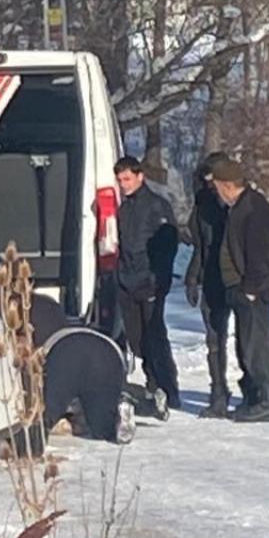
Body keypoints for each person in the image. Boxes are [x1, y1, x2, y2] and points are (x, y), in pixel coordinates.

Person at [0, 258, 138, 443]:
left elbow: (25, 358)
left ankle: (38, 440)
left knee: (39, 421)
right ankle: (121, 408)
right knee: (100, 427)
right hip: (104, 349)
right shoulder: (45, 302)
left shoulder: (8, 313)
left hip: (63, 356)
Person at [209, 159, 269, 423]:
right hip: (240, 286)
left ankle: (267, 401)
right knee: (246, 343)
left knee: (257, 344)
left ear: (227, 185)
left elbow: (260, 252)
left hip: (254, 286)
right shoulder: (238, 207)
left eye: (218, 186)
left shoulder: (253, 208)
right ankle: (253, 395)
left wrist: (253, 287)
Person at [113, 156, 180, 410]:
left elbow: (167, 246)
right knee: (137, 338)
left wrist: (157, 278)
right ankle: (151, 382)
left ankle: (166, 387)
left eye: (127, 179)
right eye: (120, 180)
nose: (123, 184)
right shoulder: (125, 207)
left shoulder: (156, 206)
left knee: (155, 336)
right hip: (128, 280)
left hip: (149, 281)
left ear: (140, 177)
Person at [184, 151, 241, 418]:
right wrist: (192, 276)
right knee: (214, 340)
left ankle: (252, 389)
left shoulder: (238, 203)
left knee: (245, 338)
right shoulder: (203, 203)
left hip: (236, 277)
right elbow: (201, 246)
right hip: (211, 277)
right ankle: (218, 391)